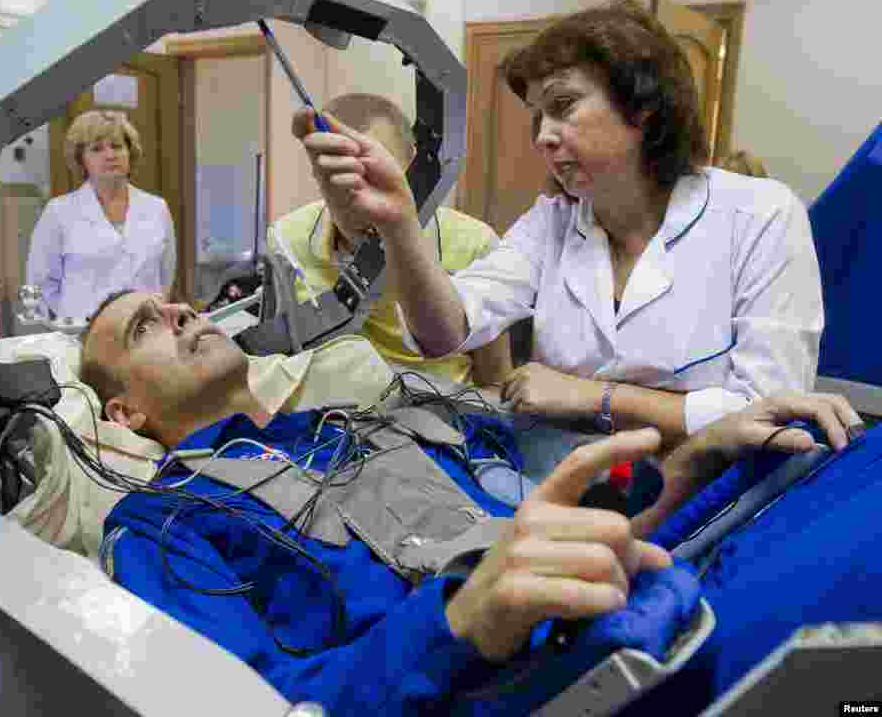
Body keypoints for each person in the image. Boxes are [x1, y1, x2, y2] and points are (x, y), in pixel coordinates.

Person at [77, 290, 861, 716]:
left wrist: (698, 462)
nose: (183, 312)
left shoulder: (373, 420)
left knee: (829, 460)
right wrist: (455, 624)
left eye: (179, 304)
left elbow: (572, 542)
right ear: (126, 416)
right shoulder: (159, 524)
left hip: (632, 603)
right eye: (146, 325)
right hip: (508, 685)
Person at [294, 0, 823, 451]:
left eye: (563, 106)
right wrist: (400, 222)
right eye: (536, 117)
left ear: (642, 107)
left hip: (711, 499)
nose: (543, 136)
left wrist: (593, 396)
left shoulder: (761, 215)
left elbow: (769, 413)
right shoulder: (551, 224)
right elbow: (443, 332)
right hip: (559, 482)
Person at [270, 93, 513, 387]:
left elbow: (496, 382)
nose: (358, 192)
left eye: (372, 170)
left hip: (445, 417)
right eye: (339, 171)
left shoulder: (474, 243)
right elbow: (283, 360)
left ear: (413, 162)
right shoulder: (286, 239)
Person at [26, 110, 176, 320]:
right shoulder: (59, 212)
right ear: (81, 160)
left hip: (146, 332)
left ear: (130, 153)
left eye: (117, 146)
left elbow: (165, 277)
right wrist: (74, 322)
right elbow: (41, 284)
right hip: (82, 335)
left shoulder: (157, 208)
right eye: (97, 149)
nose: (110, 155)